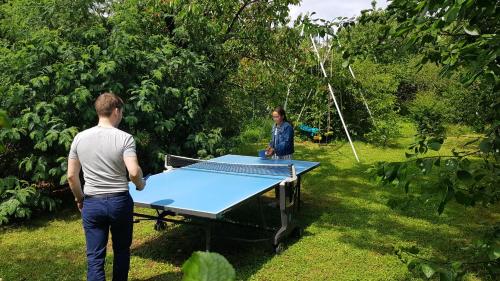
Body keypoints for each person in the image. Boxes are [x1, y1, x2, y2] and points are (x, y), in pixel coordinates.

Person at [67, 92, 146, 281]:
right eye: (122, 112)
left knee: (94, 258)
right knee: (121, 251)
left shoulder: (79, 138)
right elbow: (134, 172)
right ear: (116, 111)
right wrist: (140, 185)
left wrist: (80, 199)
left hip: (92, 203)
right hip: (119, 202)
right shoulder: (125, 138)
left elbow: (71, 175)